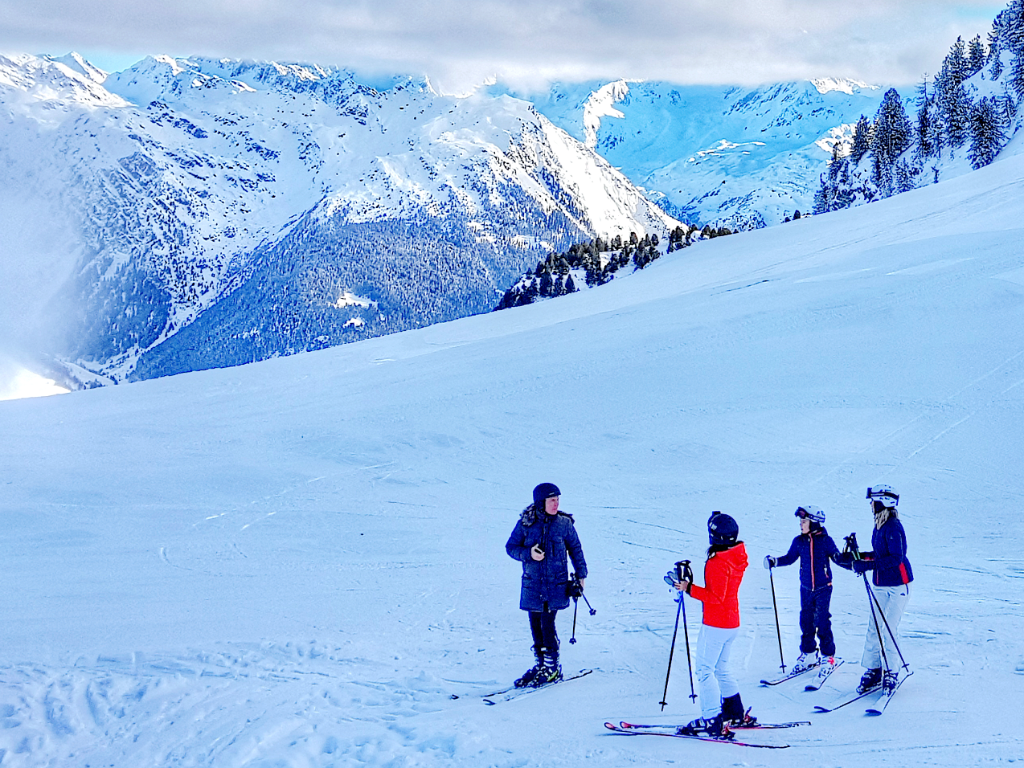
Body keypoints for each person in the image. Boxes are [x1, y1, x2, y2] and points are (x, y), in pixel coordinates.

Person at [674, 512, 755, 738]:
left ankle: (712, 719)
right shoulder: (736, 556)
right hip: (731, 622)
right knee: (721, 668)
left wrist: (688, 588)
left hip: (716, 623)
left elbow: (715, 596)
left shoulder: (718, 563)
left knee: (704, 671)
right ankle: (734, 712)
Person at [505, 482, 588, 688]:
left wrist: (581, 575)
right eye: (552, 500)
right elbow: (511, 547)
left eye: (558, 500)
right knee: (535, 624)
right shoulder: (526, 523)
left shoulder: (564, 524)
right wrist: (529, 554)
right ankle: (542, 664)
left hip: (555, 585)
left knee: (547, 624)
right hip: (533, 585)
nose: (556, 504)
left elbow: (576, 549)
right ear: (540, 502)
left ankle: (552, 667)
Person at [842, 485, 913, 694]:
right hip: (880, 584)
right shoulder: (880, 525)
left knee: (889, 627)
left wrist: (867, 565)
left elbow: (896, 558)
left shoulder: (893, 526)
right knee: (874, 627)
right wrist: (858, 556)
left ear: (883, 501)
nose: (871, 505)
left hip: (898, 584)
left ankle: (892, 670)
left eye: (873, 501)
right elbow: (880, 554)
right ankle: (874, 668)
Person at [764, 505, 845, 684]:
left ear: (814, 523)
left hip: (824, 587)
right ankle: (809, 654)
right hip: (806, 588)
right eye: (800, 521)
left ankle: (828, 657)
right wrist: (775, 561)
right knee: (806, 621)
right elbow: (790, 558)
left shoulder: (825, 540)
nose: (801, 524)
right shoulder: (798, 541)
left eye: (804, 521)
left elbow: (837, 557)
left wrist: (853, 562)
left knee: (822, 621)